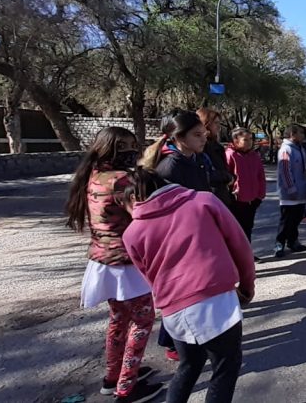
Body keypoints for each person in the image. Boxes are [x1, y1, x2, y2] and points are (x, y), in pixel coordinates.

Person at [120, 168, 255, 403]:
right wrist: (246, 285)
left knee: (189, 364)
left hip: (174, 309)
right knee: (225, 366)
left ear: (133, 199)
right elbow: (240, 244)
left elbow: (148, 276)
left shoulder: (132, 233)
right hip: (216, 301)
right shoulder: (203, 201)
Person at [65, 127, 161, 403]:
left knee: (119, 320)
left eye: (133, 145)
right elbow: (145, 218)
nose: (131, 151)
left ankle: (112, 377)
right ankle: (126, 389)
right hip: (126, 263)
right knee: (142, 321)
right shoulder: (122, 180)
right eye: (124, 146)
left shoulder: (93, 176)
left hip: (102, 260)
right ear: (109, 149)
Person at [139, 110, 213, 361]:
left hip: (196, 235)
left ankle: (176, 340)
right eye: (197, 134)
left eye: (204, 133)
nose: (204, 138)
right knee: (183, 295)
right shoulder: (171, 167)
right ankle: (174, 344)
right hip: (180, 241)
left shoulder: (192, 159)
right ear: (177, 137)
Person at [225, 128, 266, 261]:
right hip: (236, 200)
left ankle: (247, 254)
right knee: (236, 231)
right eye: (245, 140)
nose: (249, 142)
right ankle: (235, 257)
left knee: (248, 228)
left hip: (252, 199)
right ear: (235, 140)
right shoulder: (230, 155)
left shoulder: (254, 155)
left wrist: (260, 195)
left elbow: (261, 176)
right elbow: (227, 178)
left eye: (251, 139)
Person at [275, 124, 306, 258]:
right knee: (286, 220)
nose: (303, 136)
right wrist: (291, 188)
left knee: (296, 219)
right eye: (300, 133)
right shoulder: (286, 149)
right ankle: (279, 244)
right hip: (289, 193)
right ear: (292, 134)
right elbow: (285, 170)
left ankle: (293, 241)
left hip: (301, 191)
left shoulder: (300, 149)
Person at [197, 108, 235, 207]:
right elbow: (205, 173)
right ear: (206, 124)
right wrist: (227, 177)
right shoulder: (200, 147)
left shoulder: (216, 146)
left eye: (219, 123)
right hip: (209, 198)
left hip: (221, 196)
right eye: (216, 123)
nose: (219, 127)